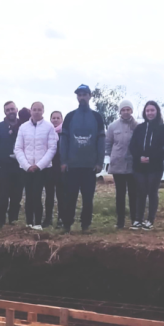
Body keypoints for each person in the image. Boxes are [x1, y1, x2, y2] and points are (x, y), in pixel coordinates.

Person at [59, 85, 106, 233]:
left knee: (87, 198)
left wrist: (99, 162)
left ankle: (85, 225)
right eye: (79, 95)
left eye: (85, 94)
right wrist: (63, 161)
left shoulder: (97, 117)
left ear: (90, 96)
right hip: (72, 165)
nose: (82, 97)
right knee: (70, 197)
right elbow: (64, 141)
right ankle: (67, 225)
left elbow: (101, 141)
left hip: (89, 166)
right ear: (77, 97)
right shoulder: (70, 117)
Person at [14, 101, 58, 230]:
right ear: (31, 111)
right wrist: (26, 165)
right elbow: (18, 148)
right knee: (28, 195)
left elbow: (52, 148)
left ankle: (38, 223)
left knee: (37, 195)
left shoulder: (49, 127)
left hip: (42, 168)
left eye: (39, 109)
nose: (36, 112)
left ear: (43, 111)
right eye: (34, 109)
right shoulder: (23, 127)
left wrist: (39, 165)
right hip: (26, 168)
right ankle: (29, 222)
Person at [129, 101, 164, 229]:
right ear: (144, 113)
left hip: (155, 166)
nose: (150, 113)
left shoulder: (163, 128)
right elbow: (132, 146)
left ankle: (150, 220)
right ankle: (138, 220)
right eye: (147, 111)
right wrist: (139, 157)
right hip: (139, 166)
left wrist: (152, 157)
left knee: (152, 192)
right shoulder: (139, 128)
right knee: (140, 192)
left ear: (157, 111)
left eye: (152, 110)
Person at [0, 101, 24, 228]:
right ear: (5, 112)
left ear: (17, 109)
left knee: (17, 196)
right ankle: (1, 221)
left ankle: (13, 221)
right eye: (8, 110)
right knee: (3, 196)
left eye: (12, 109)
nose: (10, 112)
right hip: (4, 168)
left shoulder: (24, 126)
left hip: (20, 167)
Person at [105, 99, 138, 229]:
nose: (125, 112)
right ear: (120, 111)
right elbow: (108, 143)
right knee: (120, 194)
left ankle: (135, 220)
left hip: (132, 164)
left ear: (131, 111)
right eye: (123, 110)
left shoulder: (137, 126)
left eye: (128, 109)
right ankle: (120, 221)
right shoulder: (113, 126)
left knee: (133, 193)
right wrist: (112, 156)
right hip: (118, 164)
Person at [48, 110, 64, 227]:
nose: (55, 120)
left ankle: (61, 219)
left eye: (58, 118)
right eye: (53, 118)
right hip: (48, 168)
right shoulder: (47, 133)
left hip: (61, 169)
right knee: (49, 195)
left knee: (61, 195)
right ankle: (48, 219)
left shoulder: (64, 133)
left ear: (62, 120)